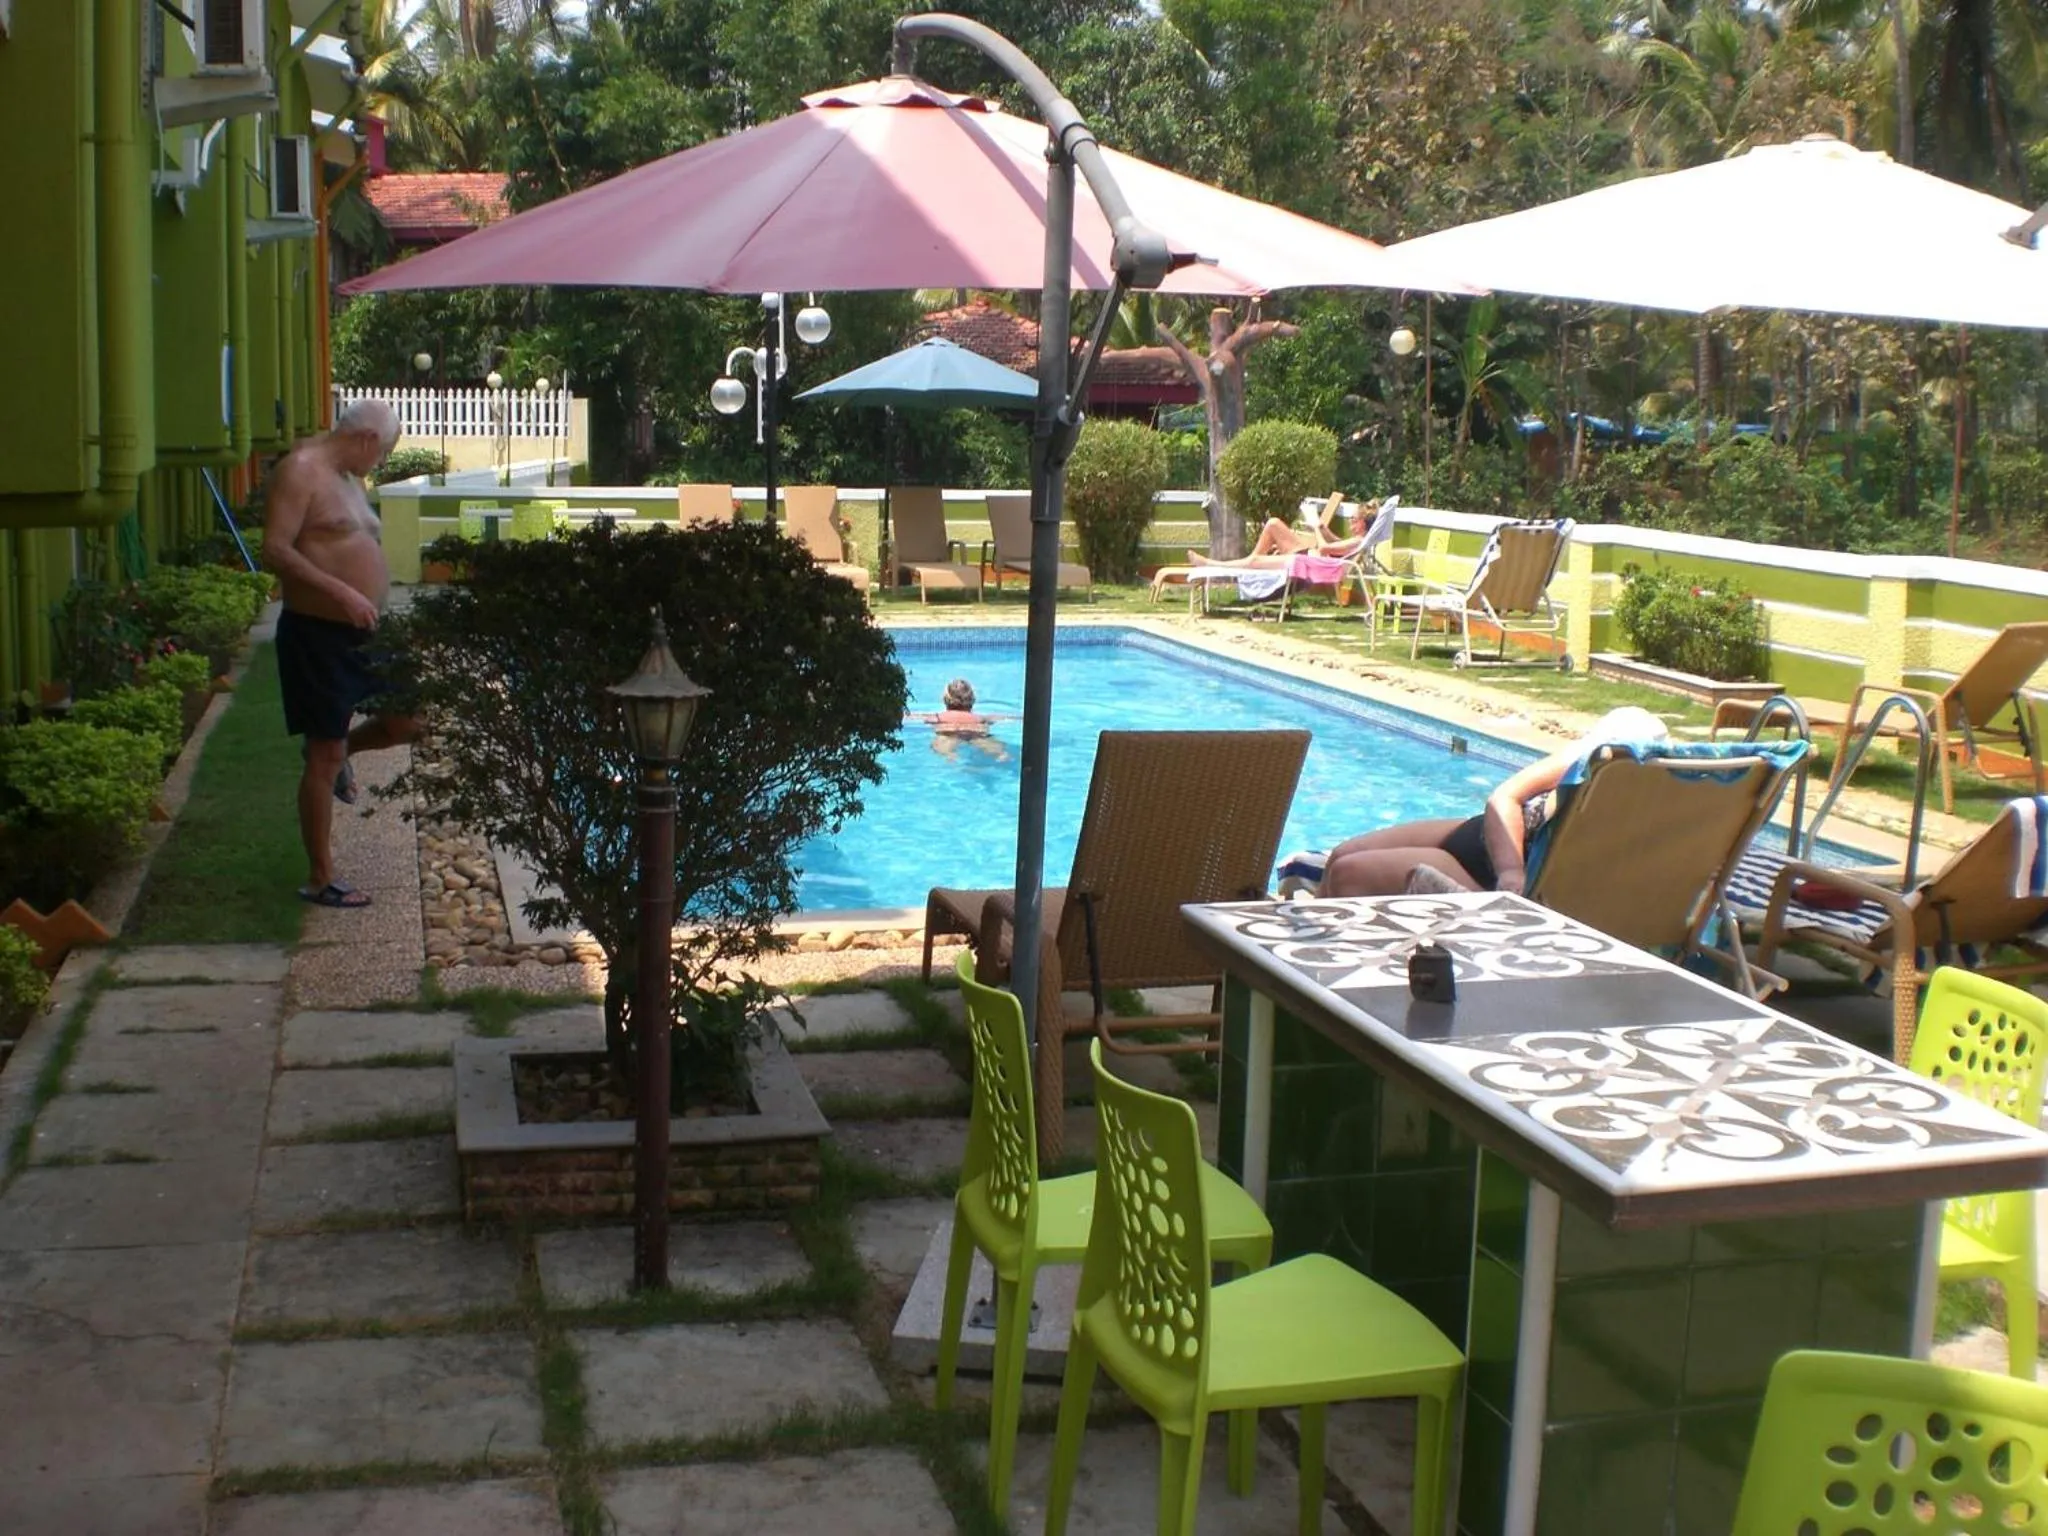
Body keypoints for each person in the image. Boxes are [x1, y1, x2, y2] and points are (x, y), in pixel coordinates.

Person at [262, 399, 421, 909]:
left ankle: (343, 754)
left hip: (369, 634)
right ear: (368, 440)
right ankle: (320, 877)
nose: (381, 462)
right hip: (319, 634)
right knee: (323, 753)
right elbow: (276, 550)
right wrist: (344, 594)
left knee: (409, 722)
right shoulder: (301, 470)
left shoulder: (351, 480)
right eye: (385, 452)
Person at [1318, 706, 1670, 897]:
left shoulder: (1617, 777)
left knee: (1348, 873)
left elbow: (1504, 796)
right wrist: (1511, 868)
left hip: (1484, 876)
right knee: (1341, 854)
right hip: (1483, 839)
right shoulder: (1667, 799)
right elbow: (1505, 799)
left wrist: (1511, 875)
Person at [1188, 494, 1380, 570]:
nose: (1350, 521)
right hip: (1307, 556)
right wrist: (1322, 528)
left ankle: (1211, 565)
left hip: (1309, 563)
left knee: (1255, 561)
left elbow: (1324, 549)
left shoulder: (1358, 541)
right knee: (1272, 524)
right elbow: (1336, 544)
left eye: (1353, 519)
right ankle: (1249, 564)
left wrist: (1314, 526)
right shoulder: (1356, 540)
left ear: (1363, 523)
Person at [909, 678, 1012, 762]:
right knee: (989, 743)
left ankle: (950, 756)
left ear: (945, 699)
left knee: (940, 745)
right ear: (972, 699)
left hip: (948, 732)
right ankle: (1001, 754)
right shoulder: (979, 718)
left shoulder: (938, 717)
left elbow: (914, 717)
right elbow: (1001, 718)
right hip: (975, 731)